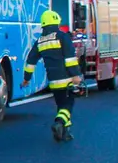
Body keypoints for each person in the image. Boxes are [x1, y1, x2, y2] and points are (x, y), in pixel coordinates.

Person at [20, 9, 84, 141]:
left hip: (53, 81)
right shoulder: (62, 37)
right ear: (56, 23)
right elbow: (70, 59)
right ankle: (59, 123)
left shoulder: (40, 41)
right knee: (68, 105)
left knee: (61, 105)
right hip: (66, 79)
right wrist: (76, 75)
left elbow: (30, 61)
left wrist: (27, 79)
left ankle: (65, 133)